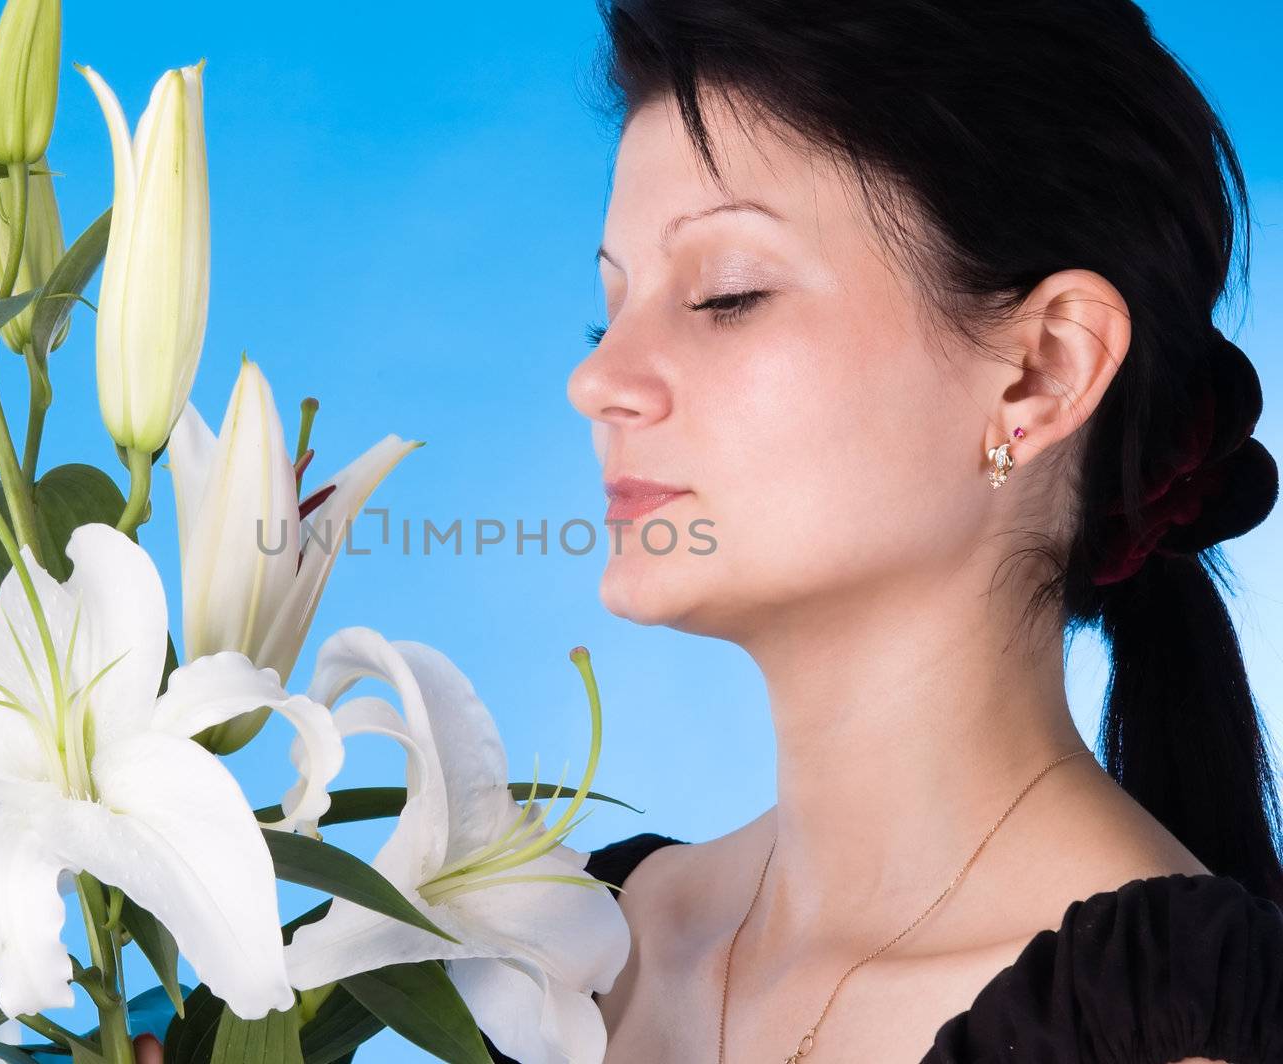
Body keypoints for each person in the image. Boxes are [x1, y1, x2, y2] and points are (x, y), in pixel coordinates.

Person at [494, 0, 1283, 1062]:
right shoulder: (584, 946)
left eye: (727, 294)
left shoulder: (1163, 1028)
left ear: (1038, 371)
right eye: (610, 310)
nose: (596, 380)